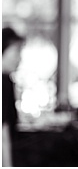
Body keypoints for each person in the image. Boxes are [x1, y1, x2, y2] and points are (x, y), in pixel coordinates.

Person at [2, 27, 25, 167]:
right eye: (16, 51)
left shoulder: (7, 80)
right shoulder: (3, 83)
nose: (19, 58)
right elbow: (3, 133)